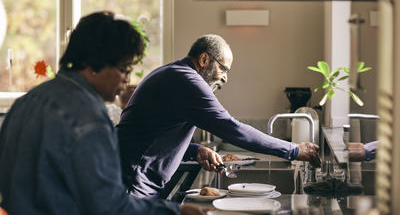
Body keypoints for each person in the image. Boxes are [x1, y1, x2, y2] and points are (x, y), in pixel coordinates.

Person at [0, 11, 204, 215]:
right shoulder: (88, 118)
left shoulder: (27, 101)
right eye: (124, 68)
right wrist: (177, 212)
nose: (127, 79)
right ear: (93, 64)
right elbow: (108, 206)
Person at [117, 34, 321, 198]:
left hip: (131, 179)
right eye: (223, 68)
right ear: (204, 59)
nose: (225, 78)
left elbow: (154, 134)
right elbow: (232, 129)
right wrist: (293, 150)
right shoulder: (187, 81)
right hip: (132, 184)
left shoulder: (173, 73)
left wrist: (195, 151)